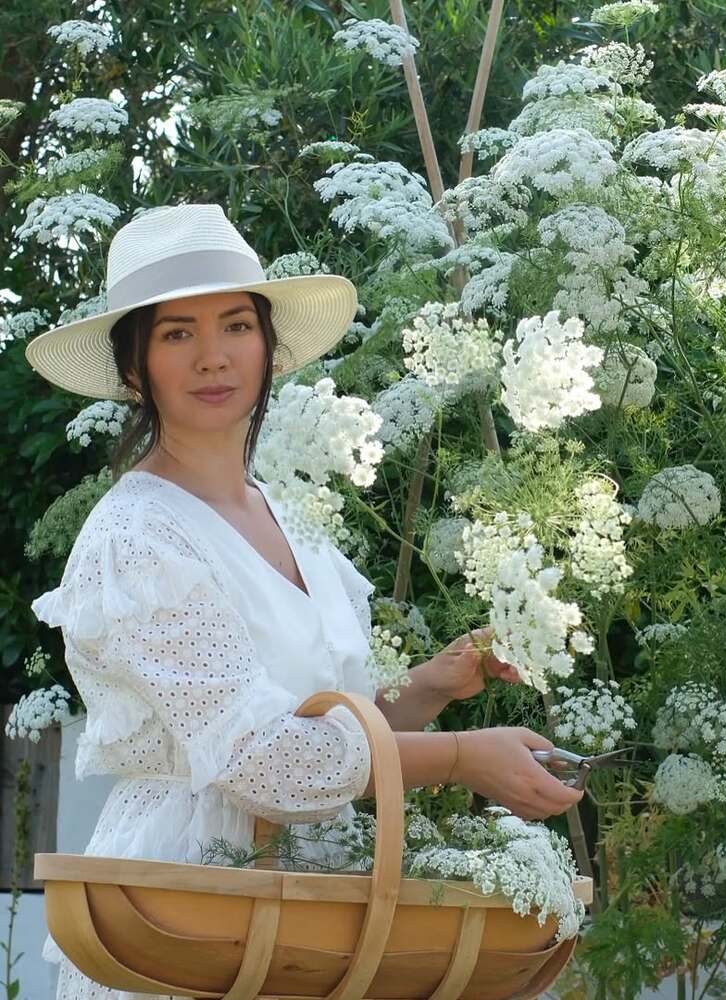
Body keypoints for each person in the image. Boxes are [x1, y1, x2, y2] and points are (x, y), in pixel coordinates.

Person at [24, 203, 584, 1000]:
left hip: (327, 918)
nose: (214, 357)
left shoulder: (288, 513)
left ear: (269, 347)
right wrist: (460, 759)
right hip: (186, 916)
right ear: (132, 368)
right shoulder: (138, 539)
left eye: (236, 327)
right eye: (177, 334)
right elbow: (266, 761)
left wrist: (431, 686)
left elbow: (328, 731)